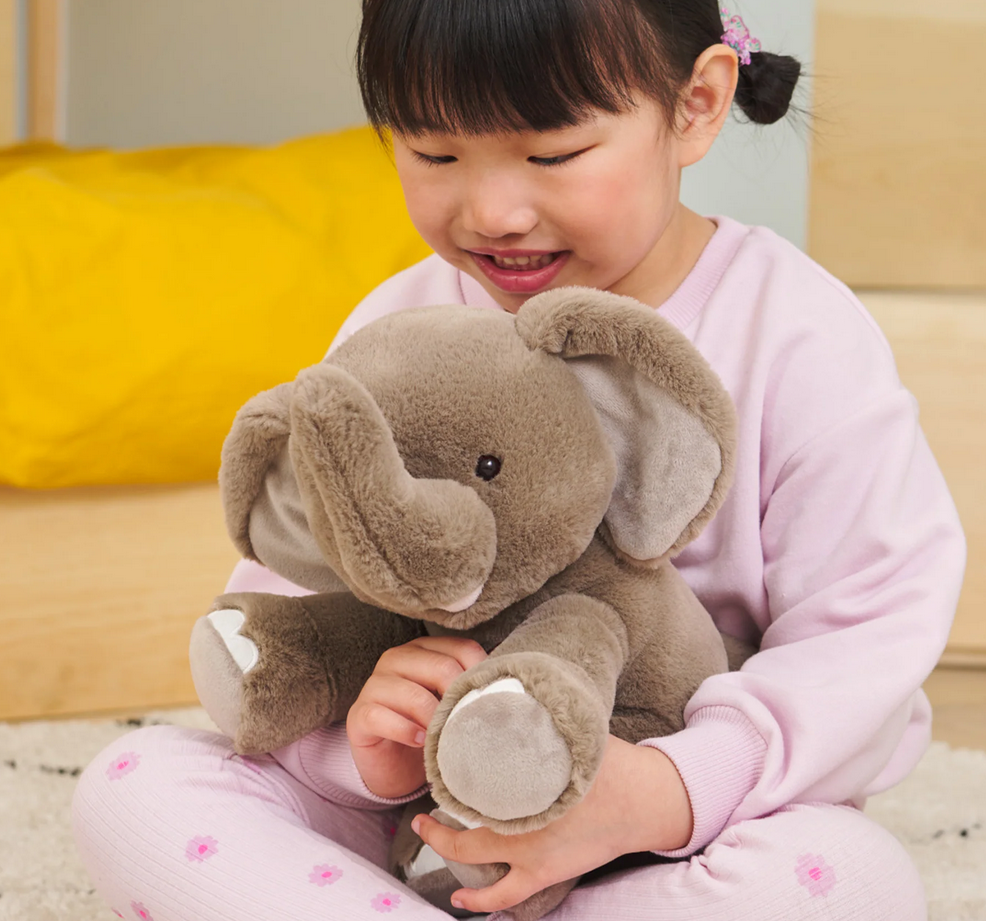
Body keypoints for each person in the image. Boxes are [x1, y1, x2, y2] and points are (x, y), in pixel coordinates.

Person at [72, 1, 966, 919]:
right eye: (434, 153)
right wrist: (364, 749)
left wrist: (661, 790)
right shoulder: (402, 326)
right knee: (135, 781)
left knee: (851, 878)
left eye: (552, 155)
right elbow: (297, 594)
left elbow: (864, 641)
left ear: (695, 104)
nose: (493, 211)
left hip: (685, 824)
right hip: (427, 821)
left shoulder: (796, 334)